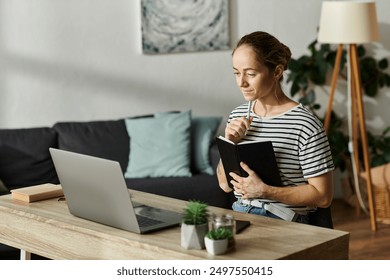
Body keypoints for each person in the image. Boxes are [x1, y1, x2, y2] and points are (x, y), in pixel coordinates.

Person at [216, 31, 335, 224]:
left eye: (251, 74)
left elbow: (323, 196)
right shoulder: (237, 115)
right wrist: (229, 141)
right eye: (236, 73)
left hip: (284, 221)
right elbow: (225, 185)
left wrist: (265, 191)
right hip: (240, 215)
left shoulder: (305, 124)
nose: (241, 82)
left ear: (277, 71)